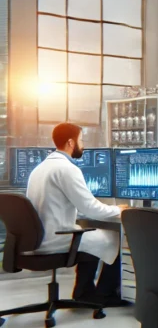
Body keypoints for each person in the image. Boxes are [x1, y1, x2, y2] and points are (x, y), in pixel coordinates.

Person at [26, 123, 128, 306]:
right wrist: (120, 210)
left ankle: (84, 291)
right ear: (71, 142)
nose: (83, 145)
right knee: (114, 238)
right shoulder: (67, 169)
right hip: (57, 239)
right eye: (81, 140)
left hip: (39, 238)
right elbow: (91, 208)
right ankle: (105, 294)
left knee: (92, 236)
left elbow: (66, 204)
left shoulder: (39, 169)